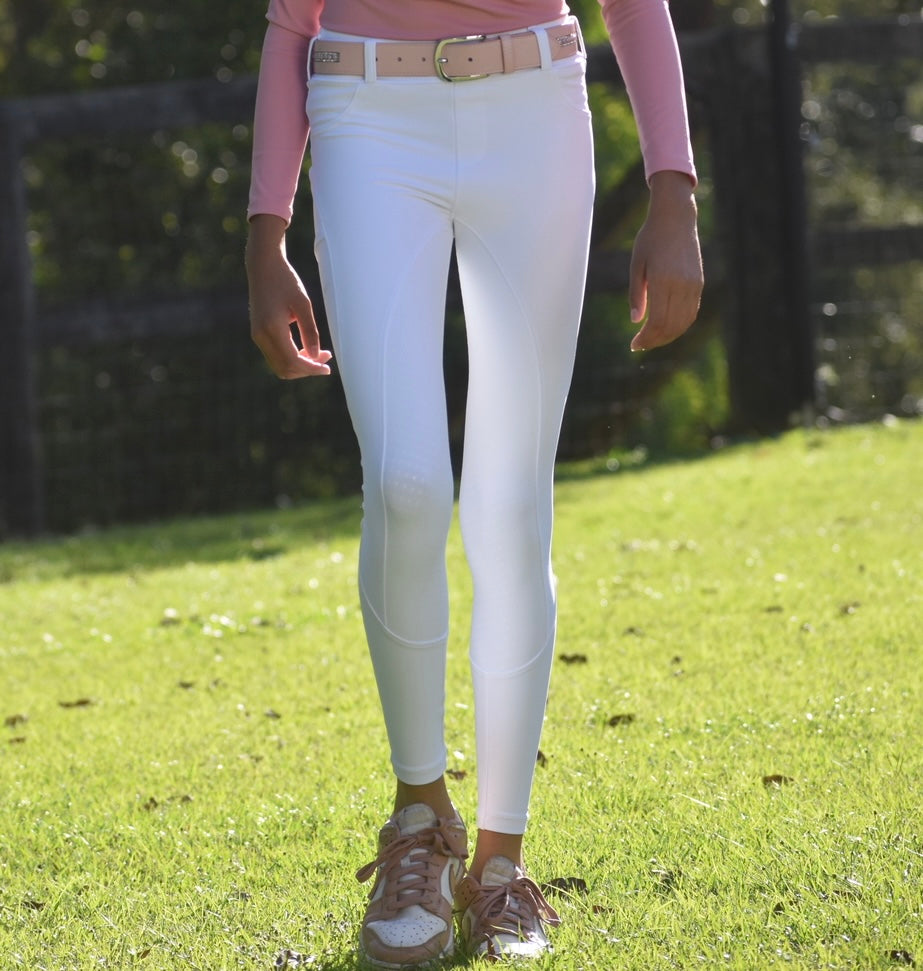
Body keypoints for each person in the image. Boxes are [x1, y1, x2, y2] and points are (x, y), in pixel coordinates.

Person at [245, 0, 703, 964]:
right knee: (405, 482)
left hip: (536, 113)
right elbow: (291, 23)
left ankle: (499, 865)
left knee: (510, 501)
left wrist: (674, 193)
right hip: (364, 114)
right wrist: (265, 229)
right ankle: (419, 819)